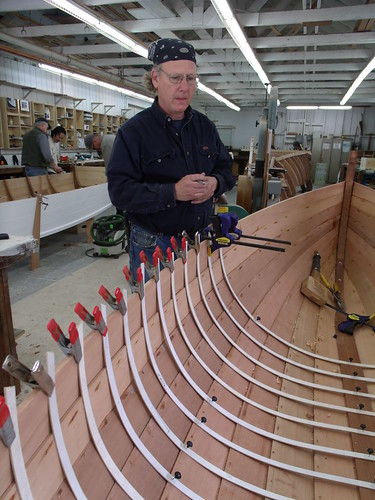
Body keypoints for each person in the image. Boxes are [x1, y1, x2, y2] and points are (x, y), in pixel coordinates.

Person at [107, 38, 235, 280]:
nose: (184, 87)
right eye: (175, 78)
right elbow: (120, 193)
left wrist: (216, 184)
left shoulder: (205, 127)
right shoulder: (133, 133)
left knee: (193, 307)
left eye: (190, 79)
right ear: (156, 78)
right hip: (154, 243)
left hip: (199, 238)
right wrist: (173, 192)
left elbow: (227, 170)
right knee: (153, 315)